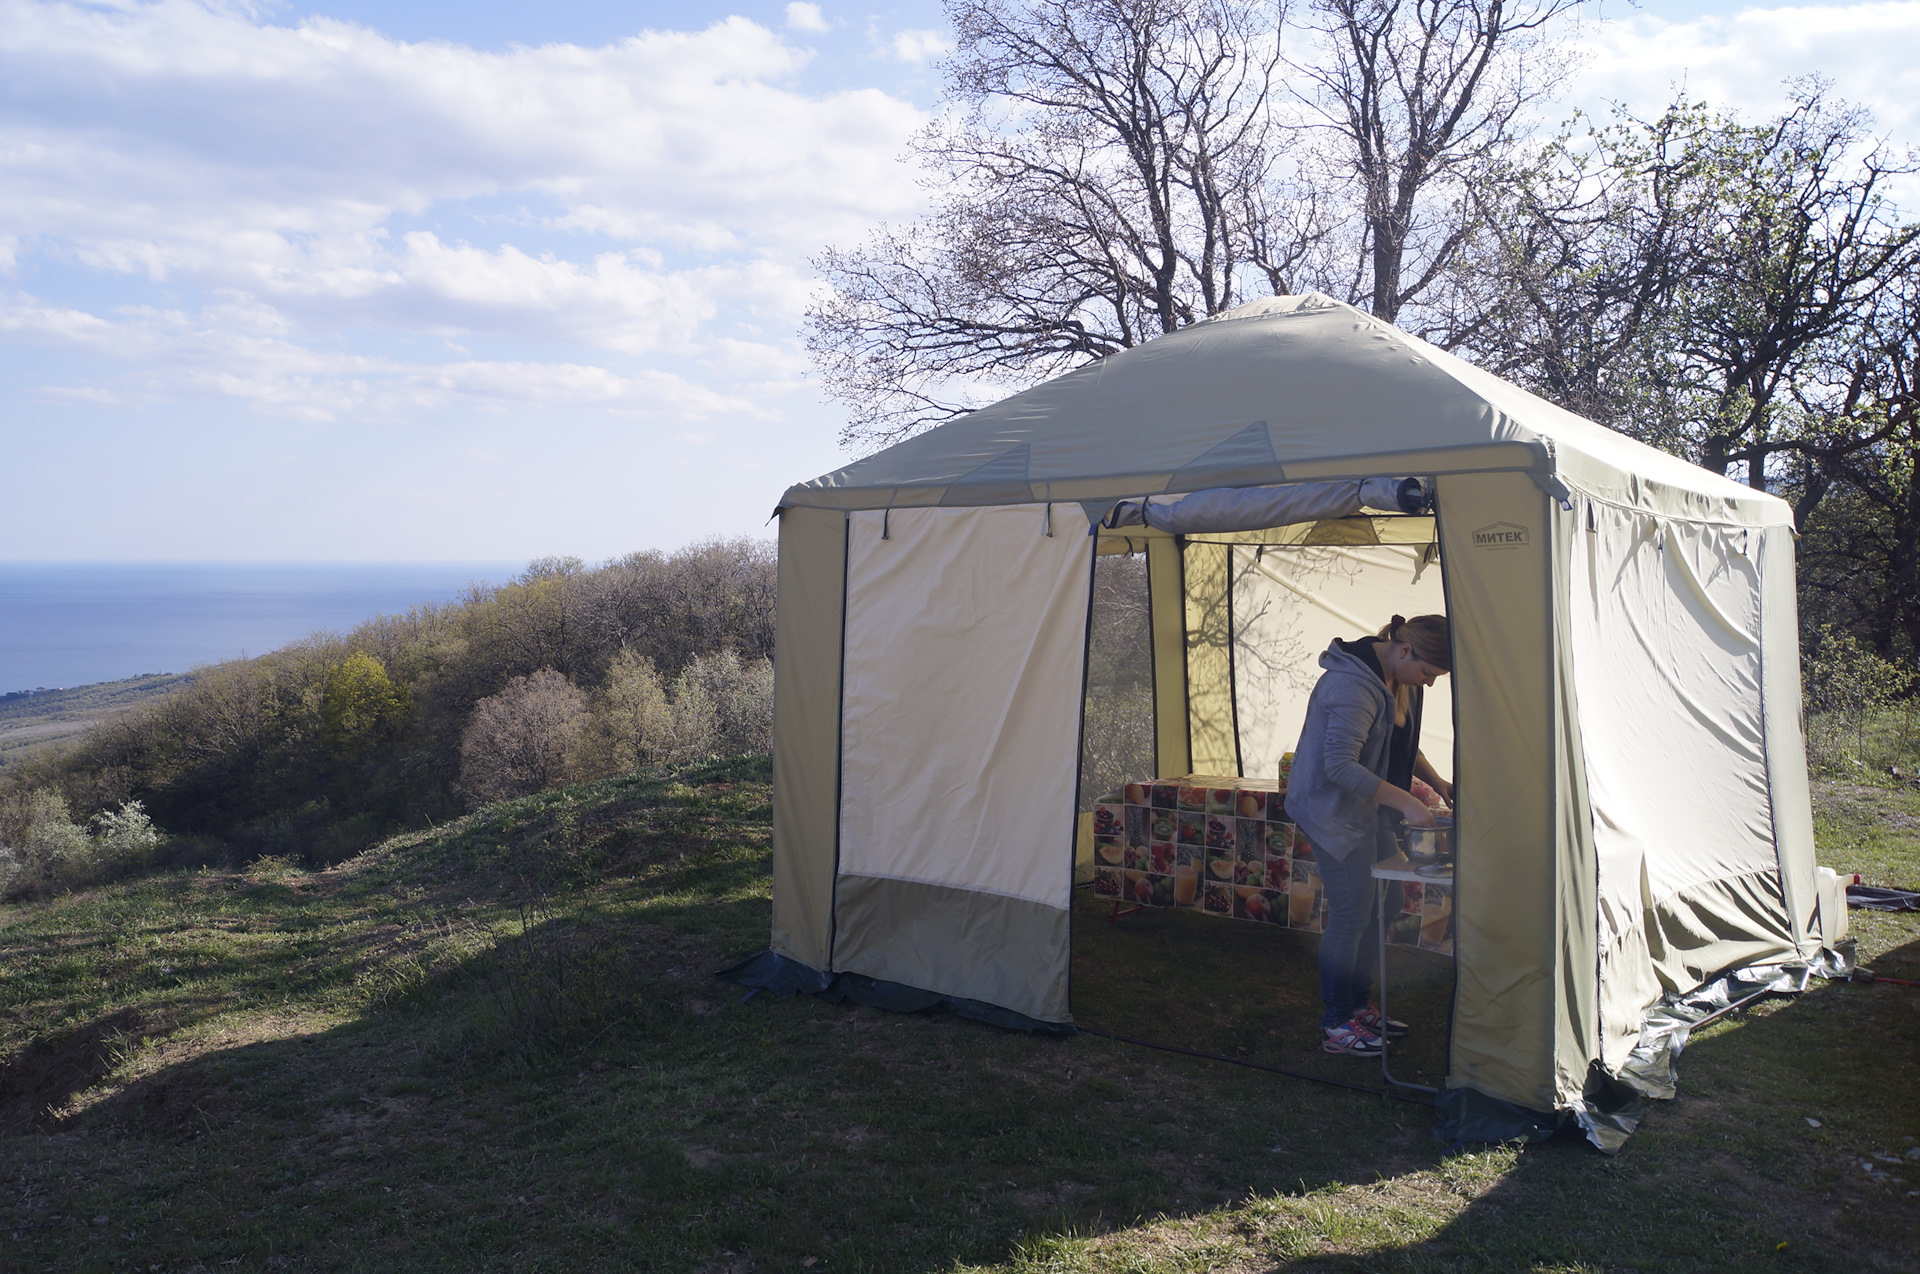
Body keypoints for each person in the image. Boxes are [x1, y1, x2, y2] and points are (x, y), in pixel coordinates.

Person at [1286, 613, 1453, 1056]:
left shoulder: (1401, 679)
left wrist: (1438, 786)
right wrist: (1408, 802)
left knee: (1390, 901)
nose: (1431, 684)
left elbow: (1401, 745)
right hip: (1333, 811)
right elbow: (1340, 766)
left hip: (1370, 811)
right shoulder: (1352, 685)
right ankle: (1337, 1023)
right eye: (1429, 673)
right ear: (1404, 651)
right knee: (1351, 912)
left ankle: (1357, 1005)